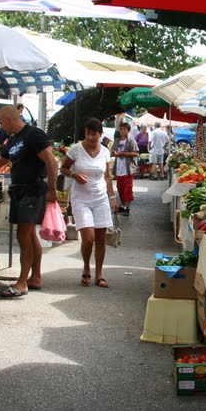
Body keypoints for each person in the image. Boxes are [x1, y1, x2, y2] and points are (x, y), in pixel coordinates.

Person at [0, 106, 58, 298]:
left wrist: (52, 189)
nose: (1, 126)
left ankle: (21, 282)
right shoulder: (13, 140)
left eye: (1, 122)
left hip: (32, 190)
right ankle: (35, 277)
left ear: (10, 119)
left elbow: (51, 162)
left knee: (23, 236)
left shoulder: (33, 135)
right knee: (30, 236)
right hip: (20, 191)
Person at [62, 118, 118, 288]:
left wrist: (112, 197)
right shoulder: (76, 150)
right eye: (87, 133)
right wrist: (74, 175)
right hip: (81, 199)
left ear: (101, 135)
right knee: (88, 238)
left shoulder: (105, 152)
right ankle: (86, 267)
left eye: (94, 134)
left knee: (100, 239)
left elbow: (107, 176)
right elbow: (63, 168)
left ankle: (99, 274)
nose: (90, 137)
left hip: (101, 198)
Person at [111, 121, 139, 215]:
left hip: (128, 169)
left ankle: (127, 207)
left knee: (128, 189)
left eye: (125, 129)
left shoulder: (131, 140)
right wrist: (114, 153)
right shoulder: (117, 140)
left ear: (128, 131)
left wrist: (122, 153)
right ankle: (122, 205)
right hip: (119, 169)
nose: (122, 131)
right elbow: (112, 151)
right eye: (121, 129)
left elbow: (135, 153)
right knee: (120, 188)